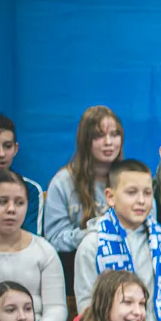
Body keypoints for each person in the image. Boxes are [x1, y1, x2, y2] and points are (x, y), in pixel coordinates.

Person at [73, 159, 161, 321]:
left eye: (147, 193)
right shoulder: (92, 245)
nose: (141, 200)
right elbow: (86, 306)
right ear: (110, 197)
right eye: (132, 192)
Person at [0, 169, 66, 321]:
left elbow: (56, 308)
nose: (11, 209)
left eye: (19, 203)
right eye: (2, 201)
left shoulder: (44, 250)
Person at [42, 105, 124, 253]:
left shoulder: (130, 179)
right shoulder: (63, 182)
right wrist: (97, 232)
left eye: (114, 134)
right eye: (99, 136)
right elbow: (55, 239)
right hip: (75, 261)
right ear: (85, 140)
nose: (108, 142)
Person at [0, 115, 45, 236]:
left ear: (15, 149)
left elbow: (31, 241)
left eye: (7, 146)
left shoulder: (30, 190)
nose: (1, 154)